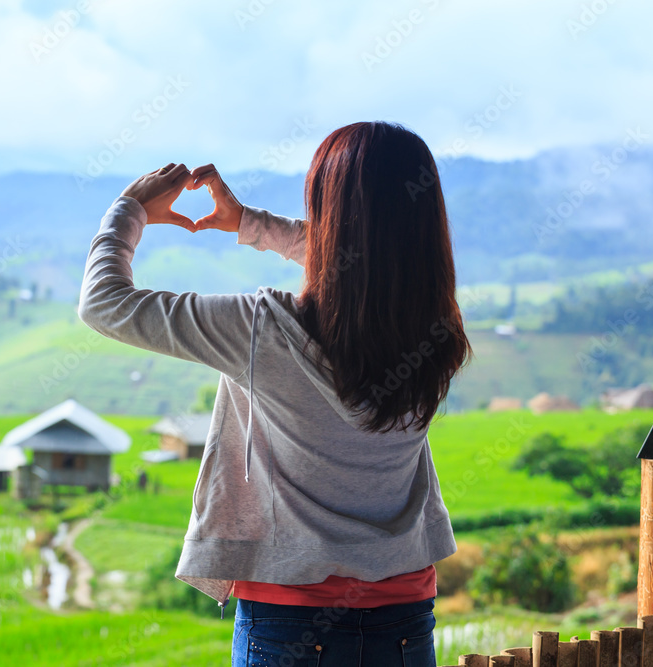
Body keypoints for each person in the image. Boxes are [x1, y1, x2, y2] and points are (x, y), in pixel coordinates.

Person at [78, 121, 472, 666]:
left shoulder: (263, 331)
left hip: (290, 621)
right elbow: (368, 264)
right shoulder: (434, 327)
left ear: (325, 209)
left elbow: (104, 304)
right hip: (405, 619)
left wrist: (129, 209)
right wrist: (250, 224)